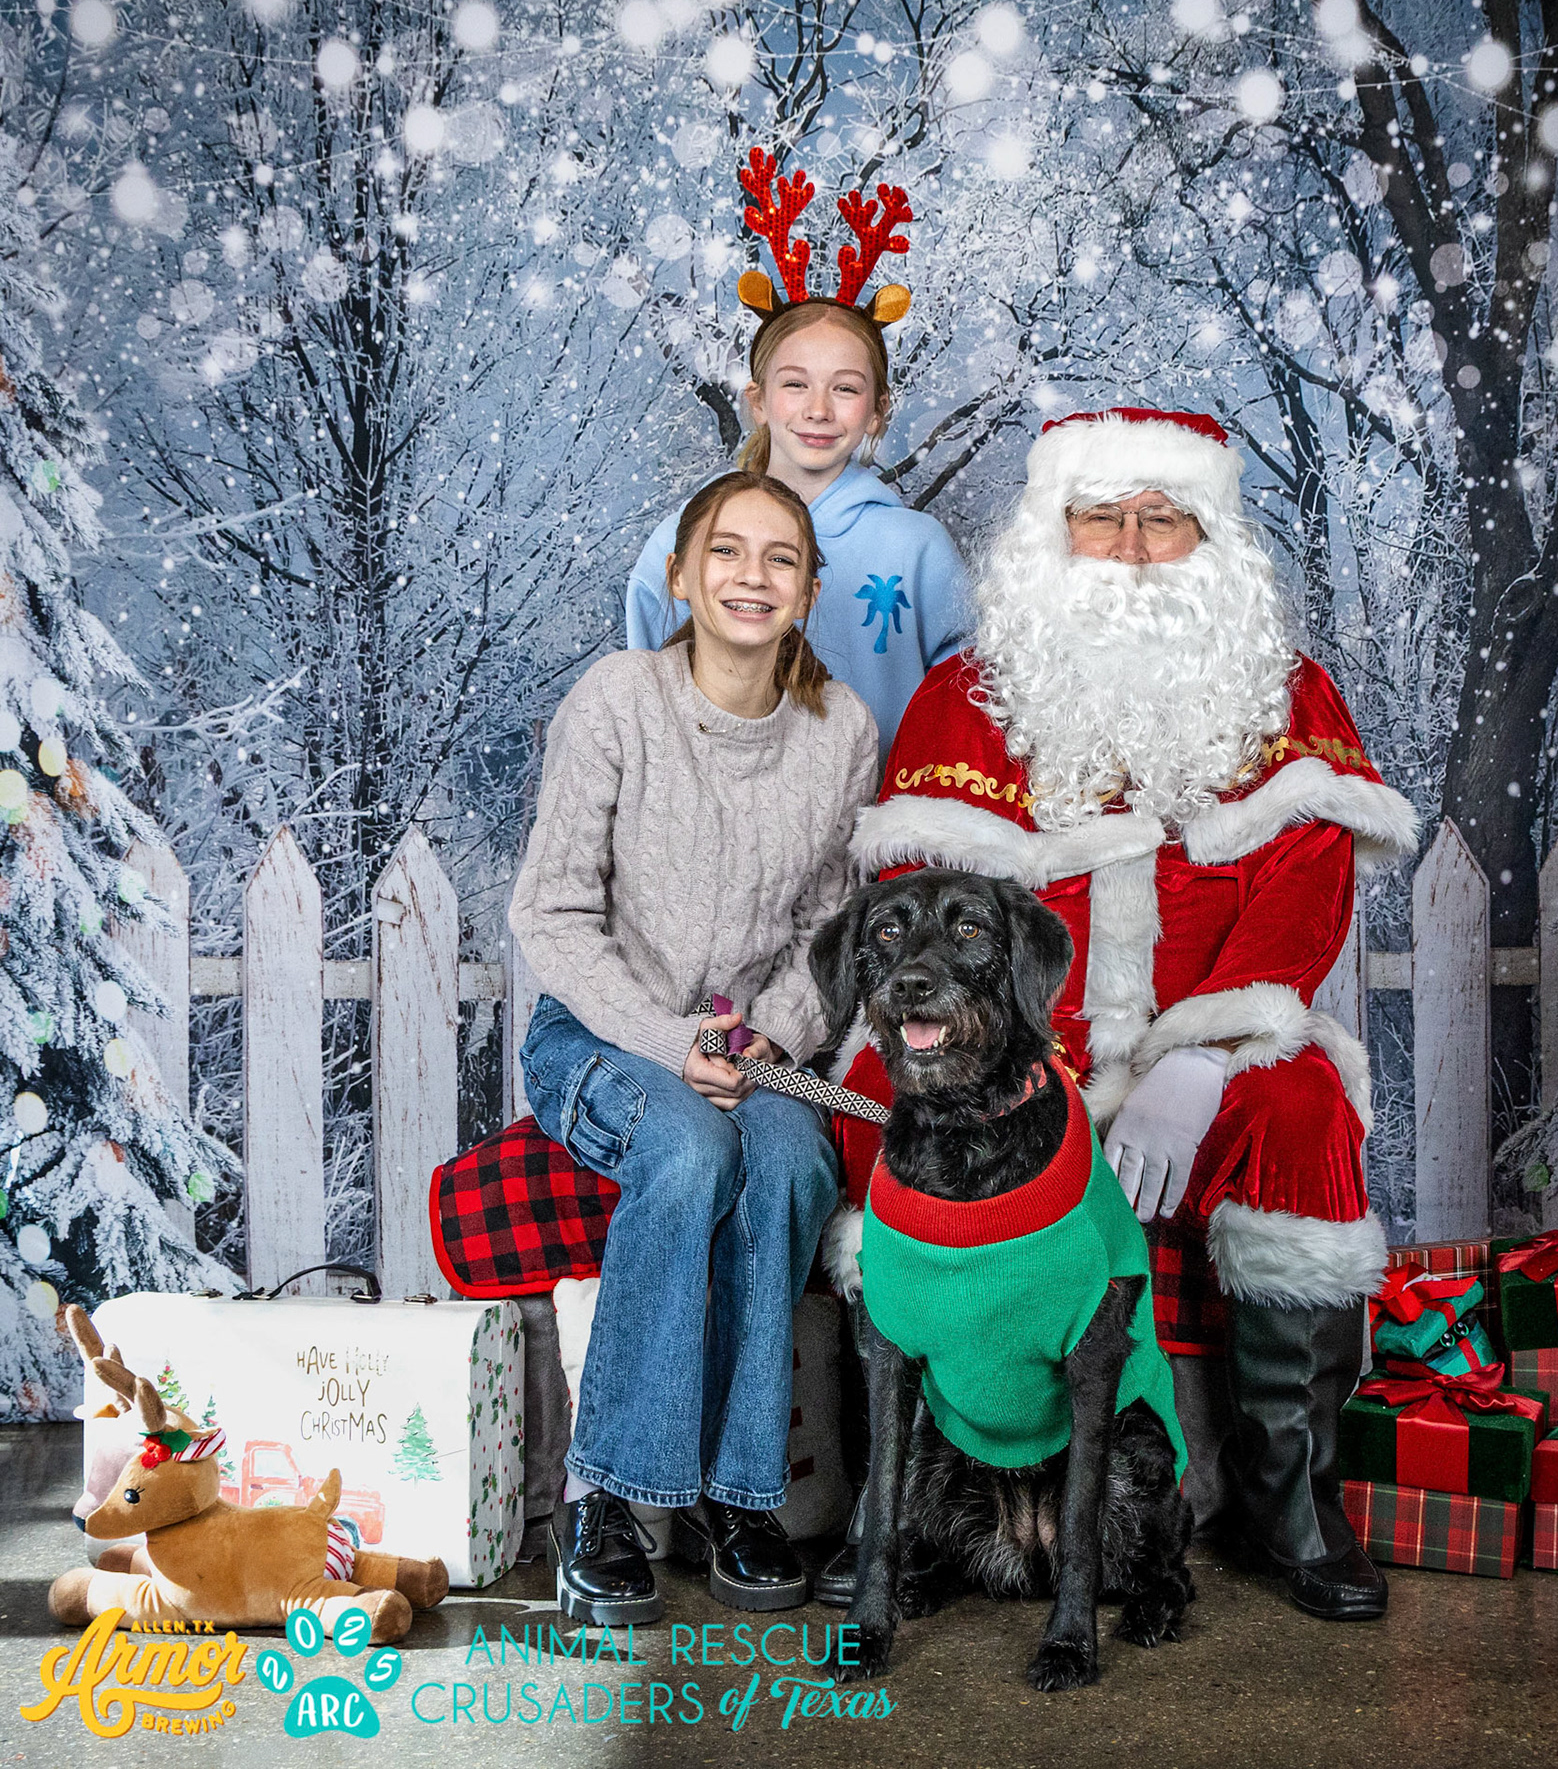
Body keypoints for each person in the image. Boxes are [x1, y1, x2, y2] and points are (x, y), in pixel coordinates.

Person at [825, 408, 1419, 1622]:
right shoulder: (965, 700)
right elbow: (921, 919)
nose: (1134, 546)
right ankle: (903, 1501)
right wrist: (1017, 1060)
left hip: (1215, 1052)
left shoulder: (1289, 695)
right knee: (880, 1094)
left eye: (1165, 518)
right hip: (1013, 1049)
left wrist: (1200, 1058)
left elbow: (1303, 897)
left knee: (1305, 1108)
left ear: (1214, 538)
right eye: (1103, 516)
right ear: (1054, 532)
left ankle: (1291, 1501)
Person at [509, 469, 877, 1625]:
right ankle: (607, 1500)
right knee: (687, 1151)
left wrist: (777, 1030)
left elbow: (828, 929)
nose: (750, 576)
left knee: (791, 1160)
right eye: (726, 550)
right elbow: (549, 913)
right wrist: (667, 1042)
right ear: (680, 575)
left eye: (780, 558)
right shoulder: (618, 699)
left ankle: (740, 1495)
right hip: (600, 1033)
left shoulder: (842, 731)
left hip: (751, 1042)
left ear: (808, 591)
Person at [624, 156, 971, 766]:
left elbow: (964, 705)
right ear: (757, 401)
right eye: (794, 384)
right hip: (716, 811)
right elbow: (645, 691)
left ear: (878, 411)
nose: (818, 409)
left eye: (845, 388)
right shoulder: (685, 535)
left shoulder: (918, 549)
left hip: (882, 818)